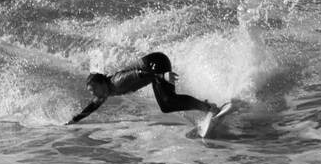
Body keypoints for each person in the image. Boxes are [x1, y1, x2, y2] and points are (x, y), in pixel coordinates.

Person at [66, 52, 223, 124]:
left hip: (155, 63)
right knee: (166, 106)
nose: (93, 94)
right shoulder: (105, 92)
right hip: (153, 66)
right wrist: (75, 120)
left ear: (101, 84)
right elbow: (92, 106)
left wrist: (163, 76)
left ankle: (207, 107)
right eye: (90, 91)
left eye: (93, 89)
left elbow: (140, 73)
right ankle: (205, 105)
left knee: (168, 101)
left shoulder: (117, 82)